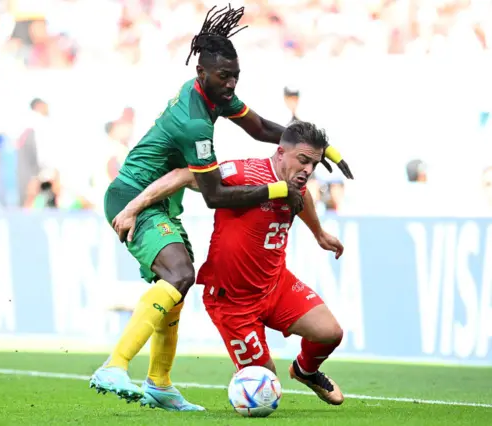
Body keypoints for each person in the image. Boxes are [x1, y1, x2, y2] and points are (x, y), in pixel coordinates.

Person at [89, 5, 352, 411]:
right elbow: (211, 193)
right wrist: (277, 190)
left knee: (176, 287)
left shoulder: (213, 95)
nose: (231, 85)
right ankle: (115, 364)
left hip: (162, 205)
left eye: (235, 76)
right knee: (180, 276)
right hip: (135, 196)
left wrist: (320, 149)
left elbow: (264, 128)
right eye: (224, 76)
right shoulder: (196, 124)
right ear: (202, 75)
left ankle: (159, 382)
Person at [114, 121, 345, 405]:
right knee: (264, 383)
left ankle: (305, 371)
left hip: (275, 285)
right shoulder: (243, 172)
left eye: (314, 164)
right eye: (304, 160)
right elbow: (183, 176)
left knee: (331, 333)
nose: (309, 170)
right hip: (232, 301)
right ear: (281, 152)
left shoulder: (296, 184)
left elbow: (301, 199)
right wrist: (133, 207)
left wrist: (319, 233)